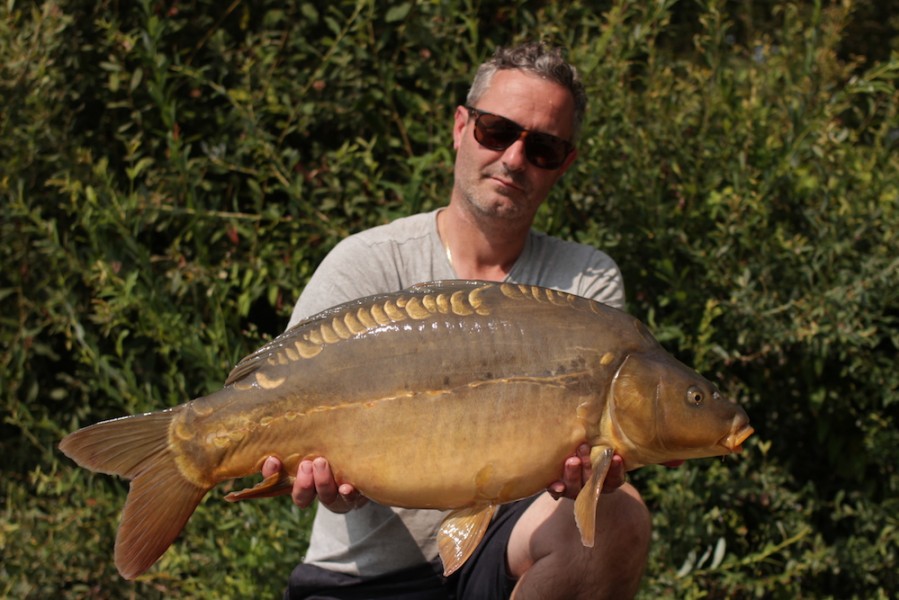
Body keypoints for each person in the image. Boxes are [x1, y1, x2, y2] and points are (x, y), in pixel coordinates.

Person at [261, 41, 652, 599]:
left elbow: (603, 452)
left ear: (564, 163)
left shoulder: (584, 284)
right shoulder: (367, 263)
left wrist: (592, 476)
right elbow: (279, 398)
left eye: (541, 147)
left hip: (505, 555)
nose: (514, 158)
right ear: (461, 127)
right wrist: (321, 477)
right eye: (497, 131)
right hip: (361, 576)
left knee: (620, 515)